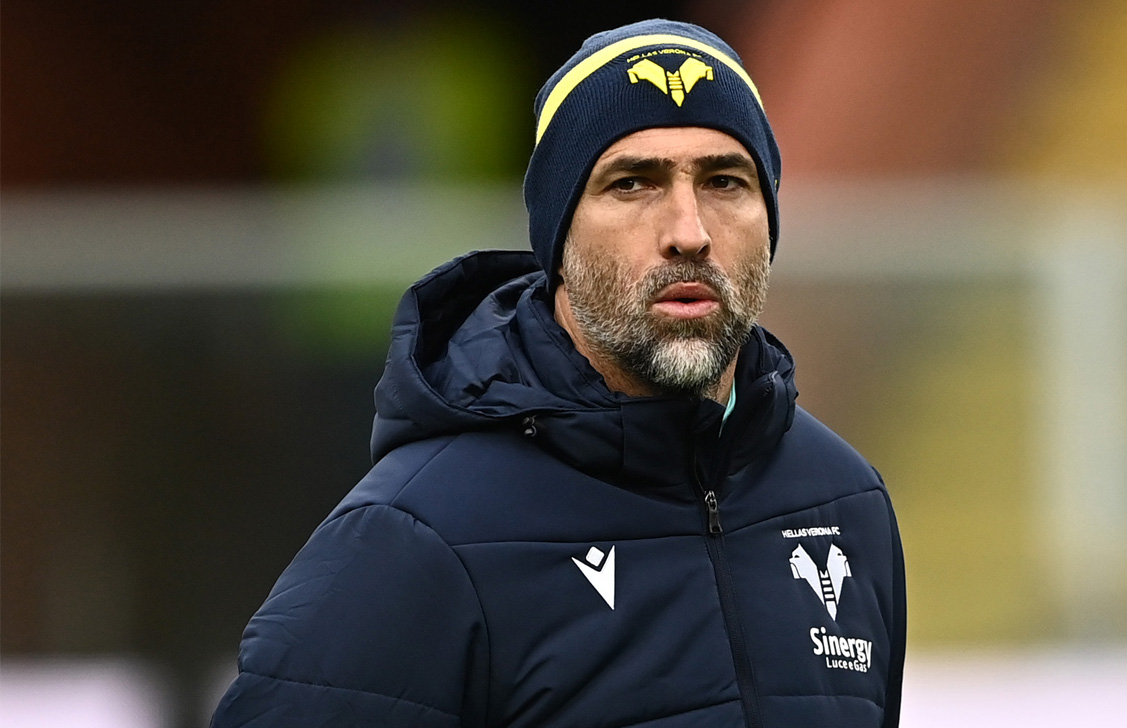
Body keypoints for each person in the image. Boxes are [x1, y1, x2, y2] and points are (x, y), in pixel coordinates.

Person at [212, 18, 905, 728]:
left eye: (725, 181)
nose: (689, 232)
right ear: (558, 238)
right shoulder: (417, 536)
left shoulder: (846, 503)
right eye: (632, 184)